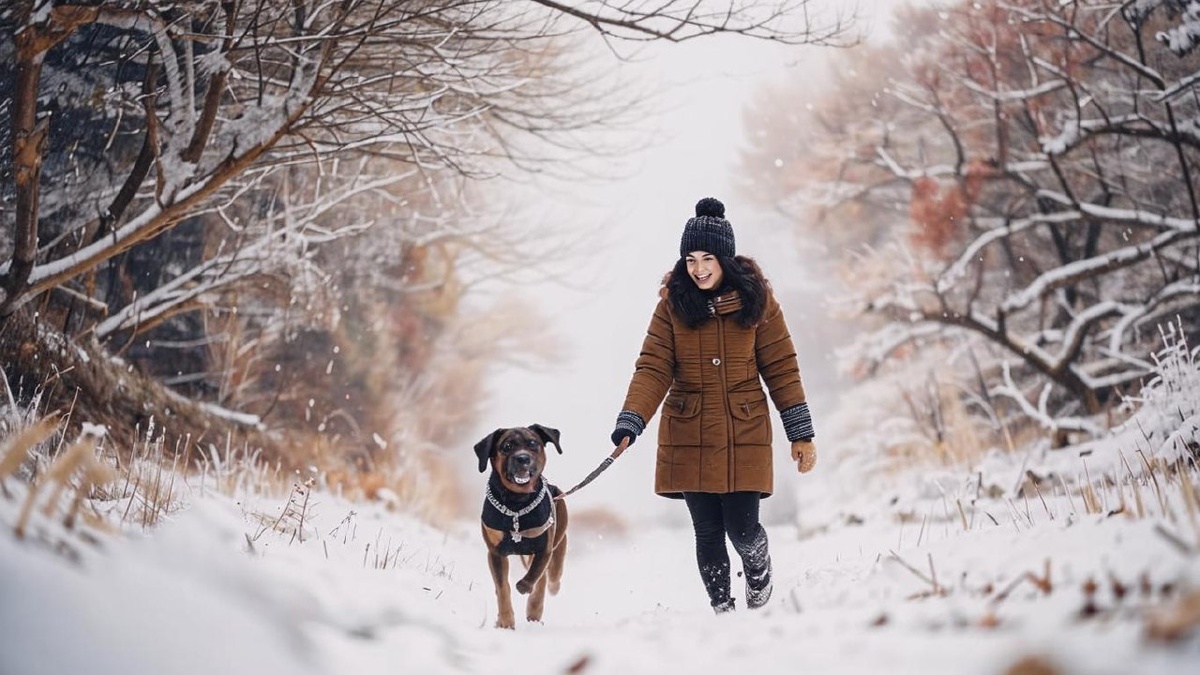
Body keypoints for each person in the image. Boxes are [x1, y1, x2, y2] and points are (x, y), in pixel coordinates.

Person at [610, 197, 818, 613]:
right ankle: (722, 610)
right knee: (707, 532)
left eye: (707, 258)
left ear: (725, 258)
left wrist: (801, 433)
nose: (699, 268)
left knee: (742, 529)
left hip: (744, 429)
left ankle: (759, 570)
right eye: (690, 259)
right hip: (688, 431)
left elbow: (781, 367)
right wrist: (632, 420)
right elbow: (653, 367)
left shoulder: (759, 303)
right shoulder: (673, 307)